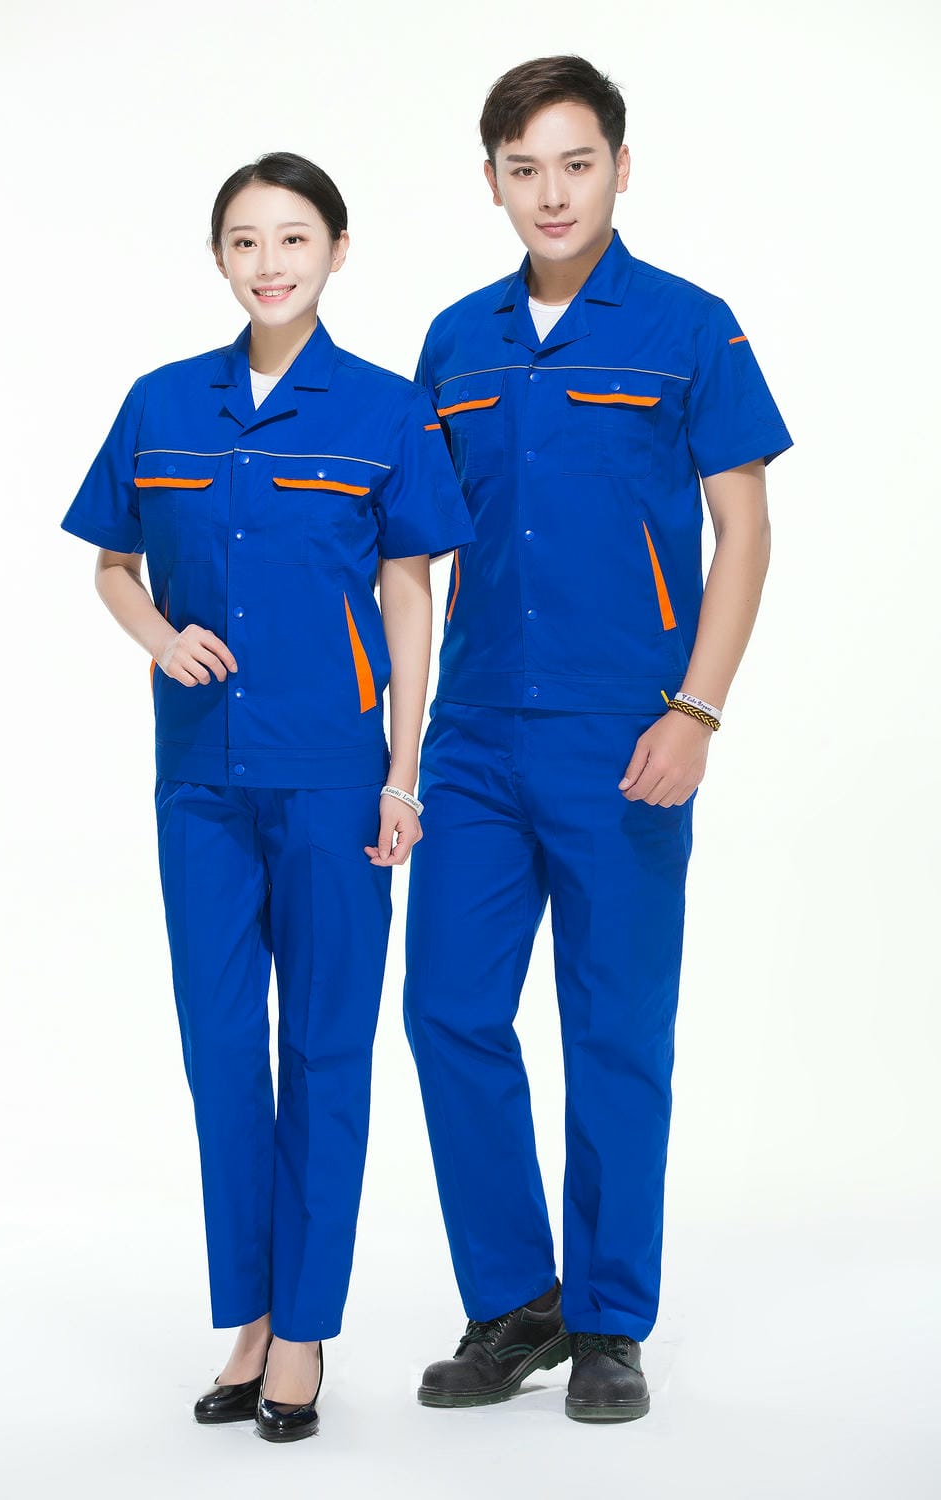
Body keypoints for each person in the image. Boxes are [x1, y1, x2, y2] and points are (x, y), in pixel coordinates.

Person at [403, 56, 792, 1424]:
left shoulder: (690, 327)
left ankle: (612, 1317)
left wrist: (697, 710)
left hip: (628, 736)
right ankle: (519, 1300)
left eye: (576, 163)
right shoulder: (455, 341)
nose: (552, 192)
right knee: (448, 1010)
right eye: (524, 168)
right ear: (492, 182)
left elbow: (744, 531)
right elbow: (407, 551)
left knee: (614, 1026)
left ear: (621, 168)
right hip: (470, 737)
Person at [61, 151, 473, 1443]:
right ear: (219, 258)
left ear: (338, 250)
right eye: (245, 240)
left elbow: (409, 595)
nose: (270, 262)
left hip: (338, 782)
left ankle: (304, 1331)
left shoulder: (388, 409)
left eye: (295, 237)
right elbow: (112, 565)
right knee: (224, 1052)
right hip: (200, 782)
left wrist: (405, 772)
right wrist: (157, 636)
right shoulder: (161, 401)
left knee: (329, 1053)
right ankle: (247, 1313)